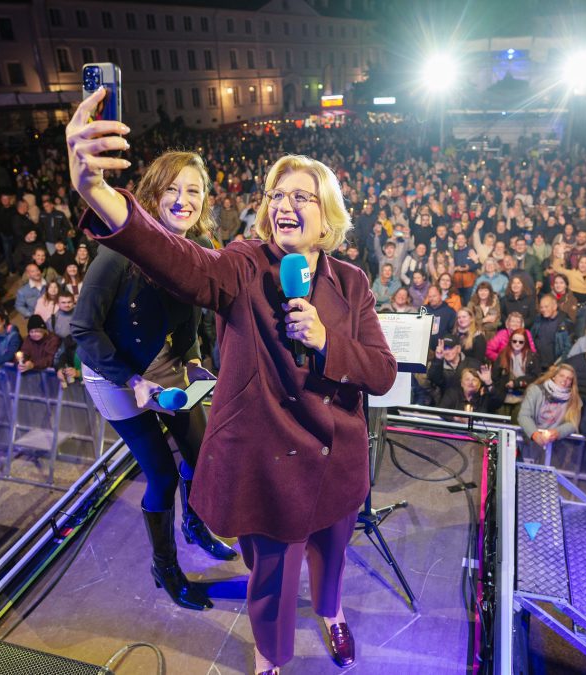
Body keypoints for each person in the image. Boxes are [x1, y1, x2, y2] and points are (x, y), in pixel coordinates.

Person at [69, 97, 395, 673]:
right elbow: (180, 259)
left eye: (302, 196)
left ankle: (331, 611)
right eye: (276, 195)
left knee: (331, 549)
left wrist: (327, 343)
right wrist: (100, 194)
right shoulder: (243, 264)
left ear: (330, 218)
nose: (285, 204)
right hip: (271, 464)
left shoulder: (352, 281)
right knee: (271, 576)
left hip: (338, 454)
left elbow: (382, 371)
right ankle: (272, 656)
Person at [71, 151, 238, 613]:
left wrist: (197, 360)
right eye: (173, 189)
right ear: (153, 193)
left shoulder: (199, 245)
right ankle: (165, 568)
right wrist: (132, 380)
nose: (183, 200)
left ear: (205, 200)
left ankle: (195, 525)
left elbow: (190, 318)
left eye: (194, 190)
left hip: (163, 363)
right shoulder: (117, 251)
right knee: (161, 474)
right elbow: (84, 329)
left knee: (200, 453)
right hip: (111, 372)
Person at [517, 364, 582, 450]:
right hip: (531, 441)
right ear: (554, 376)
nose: (565, 380)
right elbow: (524, 415)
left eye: (569, 378)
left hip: (557, 446)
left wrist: (558, 432)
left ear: (571, 382)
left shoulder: (574, 399)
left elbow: (573, 423)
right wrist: (534, 434)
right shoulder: (535, 390)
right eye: (561, 375)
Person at [491, 328, 541, 420]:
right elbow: (495, 376)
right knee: (500, 425)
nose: (517, 344)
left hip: (523, 398)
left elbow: (535, 377)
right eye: (514, 341)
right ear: (510, 341)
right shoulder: (503, 354)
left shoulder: (532, 357)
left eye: (521, 342)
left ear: (525, 342)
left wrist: (517, 383)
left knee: (517, 425)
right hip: (504, 397)